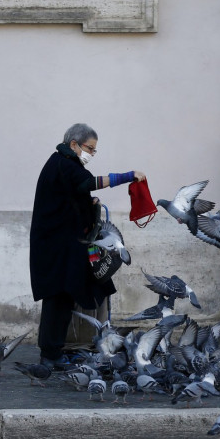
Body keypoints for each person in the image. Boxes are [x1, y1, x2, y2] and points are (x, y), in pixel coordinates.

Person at [30, 123, 146, 369]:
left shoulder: (64, 163)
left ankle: (54, 353)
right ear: (74, 144)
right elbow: (90, 183)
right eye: (89, 149)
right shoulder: (63, 163)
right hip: (56, 246)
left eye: (94, 150)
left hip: (64, 244)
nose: (91, 154)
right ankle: (49, 356)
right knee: (57, 298)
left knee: (66, 296)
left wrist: (87, 203)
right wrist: (127, 176)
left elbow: (71, 194)